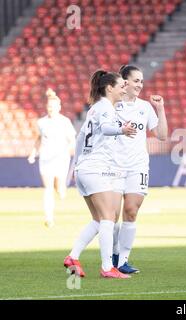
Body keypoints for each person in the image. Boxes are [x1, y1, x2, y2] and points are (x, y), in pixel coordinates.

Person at [63, 70, 137, 279]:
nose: (125, 89)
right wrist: (122, 130)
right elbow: (105, 129)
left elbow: (80, 139)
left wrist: (77, 164)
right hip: (96, 169)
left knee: (98, 219)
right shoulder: (105, 107)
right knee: (108, 218)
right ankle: (107, 267)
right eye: (121, 85)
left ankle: (73, 256)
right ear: (109, 88)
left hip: (85, 169)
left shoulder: (94, 109)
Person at [110, 65, 168, 274]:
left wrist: (160, 109)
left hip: (138, 166)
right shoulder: (112, 106)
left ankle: (123, 260)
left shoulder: (145, 107)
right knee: (112, 215)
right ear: (124, 82)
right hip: (114, 166)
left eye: (141, 81)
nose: (140, 85)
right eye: (136, 81)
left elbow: (162, 135)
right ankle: (112, 256)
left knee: (131, 211)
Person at [28, 88, 76, 227]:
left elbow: (72, 140)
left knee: (60, 190)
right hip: (46, 158)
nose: (51, 109)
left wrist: (65, 150)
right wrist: (33, 153)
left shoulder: (65, 121)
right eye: (49, 106)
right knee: (48, 188)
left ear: (59, 107)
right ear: (46, 107)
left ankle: (61, 190)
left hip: (61, 158)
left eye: (53, 107)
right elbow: (38, 139)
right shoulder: (41, 122)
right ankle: (49, 217)